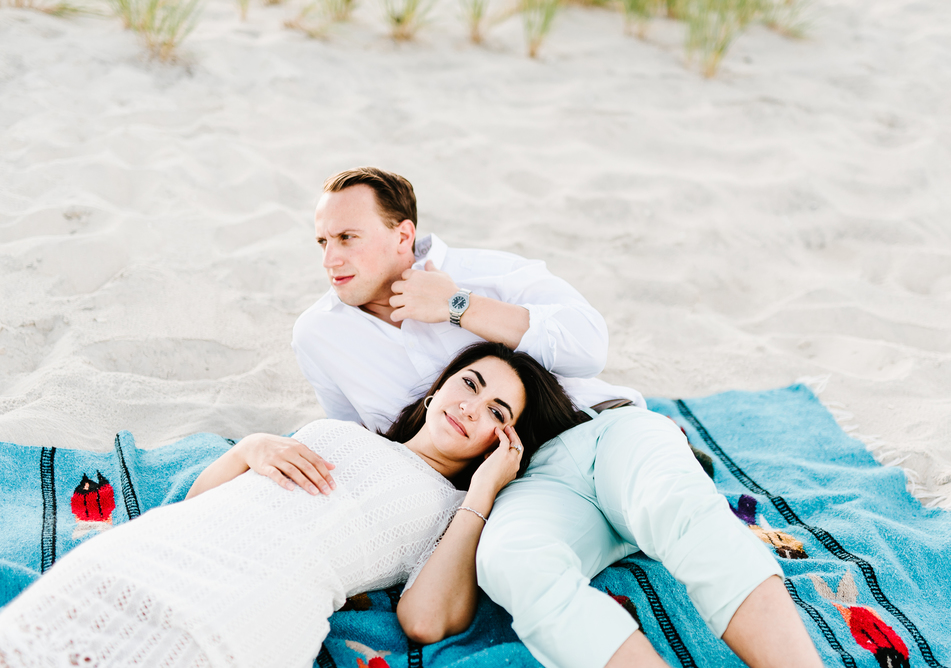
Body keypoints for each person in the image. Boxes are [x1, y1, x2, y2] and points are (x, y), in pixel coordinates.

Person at [280, 167, 824, 668]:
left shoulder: (480, 272)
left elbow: (590, 343)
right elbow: (367, 445)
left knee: (675, 509)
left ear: (402, 237)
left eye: (347, 238)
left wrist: (459, 307)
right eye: (323, 242)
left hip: (603, 431)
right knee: (512, 565)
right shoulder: (319, 334)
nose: (330, 259)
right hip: (520, 488)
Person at [0, 342, 584, 668]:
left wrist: (483, 491)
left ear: (502, 444)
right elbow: (204, 501)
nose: (472, 406)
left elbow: (425, 621)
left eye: (499, 414)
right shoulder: (341, 431)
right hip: (156, 551)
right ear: (441, 384)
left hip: (255, 602)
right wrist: (250, 449)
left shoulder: (452, 511)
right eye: (471, 383)